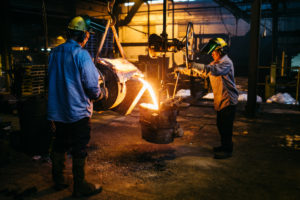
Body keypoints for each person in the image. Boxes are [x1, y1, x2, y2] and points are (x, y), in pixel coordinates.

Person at [48, 16, 107, 197]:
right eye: (86, 36)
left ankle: (58, 181)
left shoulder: (54, 53)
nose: (86, 39)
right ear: (83, 36)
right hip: (78, 113)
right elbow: (91, 86)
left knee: (59, 144)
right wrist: (101, 94)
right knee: (79, 148)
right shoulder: (81, 55)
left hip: (58, 112)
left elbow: (50, 79)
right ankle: (79, 186)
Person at [191, 38, 239, 159]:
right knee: (220, 125)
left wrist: (194, 65)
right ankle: (223, 146)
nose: (212, 54)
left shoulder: (226, 63)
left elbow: (213, 71)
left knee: (226, 127)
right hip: (220, 100)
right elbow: (203, 72)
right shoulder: (215, 63)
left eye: (214, 51)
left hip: (228, 100)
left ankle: (227, 150)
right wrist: (184, 69)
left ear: (221, 51)